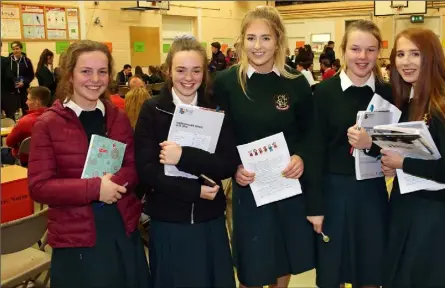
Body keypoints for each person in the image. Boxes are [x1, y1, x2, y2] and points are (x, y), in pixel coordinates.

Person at [28, 40, 151, 288]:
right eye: (86, 71)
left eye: (102, 71)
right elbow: (39, 186)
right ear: (69, 75)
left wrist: (115, 184)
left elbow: (132, 166)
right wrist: (96, 189)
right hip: (77, 238)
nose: (95, 79)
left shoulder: (118, 117)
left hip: (122, 228)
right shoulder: (48, 124)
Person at [213, 6, 318, 287]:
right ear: (242, 41)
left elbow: (310, 132)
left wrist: (301, 157)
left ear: (278, 40)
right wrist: (233, 167)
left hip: (286, 183)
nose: (257, 46)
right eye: (251, 38)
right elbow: (220, 136)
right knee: (252, 260)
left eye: (265, 38)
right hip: (249, 186)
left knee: (282, 256)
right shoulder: (226, 83)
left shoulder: (296, 83)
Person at [134, 35, 237, 287]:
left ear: (205, 72)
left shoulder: (215, 108)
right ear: (168, 70)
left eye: (196, 70)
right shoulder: (152, 109)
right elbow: (146, 171)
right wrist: (194, 190)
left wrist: (183, 157)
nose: (188, 78)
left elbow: (226, 164)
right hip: (169, 219)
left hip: (209, 219)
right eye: (180, 70)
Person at [381, 27, 445, 288]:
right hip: (405, 208)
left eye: (415, 54)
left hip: (432, 216)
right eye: (400, 54)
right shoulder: (409, 103)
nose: (406, 61)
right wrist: (394, 166)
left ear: (431, 57)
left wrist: (404, 164)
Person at [312, 19, 391, 288]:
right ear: (344, 50)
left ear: (378, 52)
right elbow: (314, 154)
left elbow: (395, 146)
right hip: (334, 194)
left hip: (372, 194)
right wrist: (315, 207)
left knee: (370, 273)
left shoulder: (388, 93)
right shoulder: (322, 93)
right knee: (332, 274)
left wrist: (378, 150)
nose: (363, 57)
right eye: (355, 49)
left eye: (370, 50)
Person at [1, 86, 50, 166]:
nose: (26, 102)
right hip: (49, 161)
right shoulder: (57, 118)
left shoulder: (25, 121)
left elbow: (9, 142)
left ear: (37, 102)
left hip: (25, 161)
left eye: (29, 99)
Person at [7, 41, 34, 117]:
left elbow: (31, 75)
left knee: (26, 109)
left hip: (24, 90)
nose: (15, 51)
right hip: (12, 91)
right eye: (13, 49)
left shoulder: (27, 61)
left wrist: (24, 82)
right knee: (12, 111)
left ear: (21, 49)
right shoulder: (8, 61)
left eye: (17, 48)